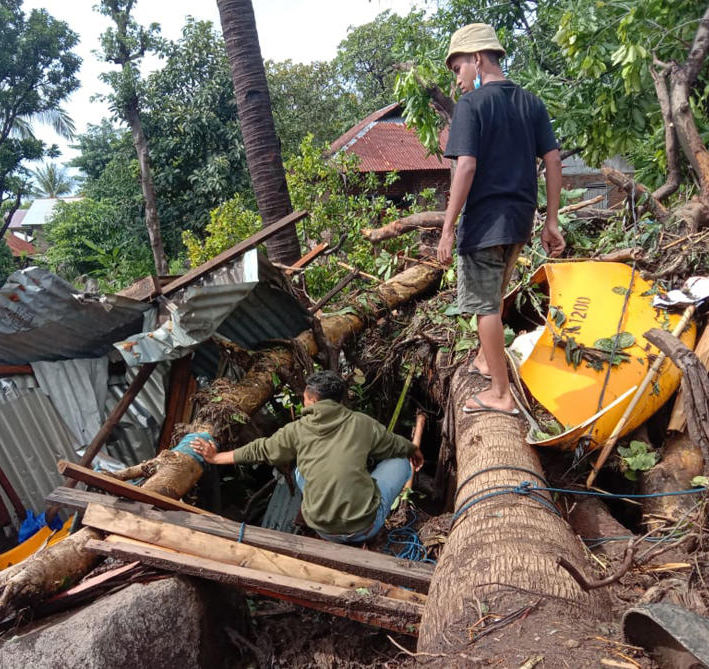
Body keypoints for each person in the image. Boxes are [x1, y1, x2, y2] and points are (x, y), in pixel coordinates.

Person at [437, 23, 566, 416]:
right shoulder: (532, 103)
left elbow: (466, 168)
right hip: (520, 221)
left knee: (484, 308)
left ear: (476, 59)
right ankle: (483, 359)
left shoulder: (472, 107)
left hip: (484, 223)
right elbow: (554, 160)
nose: (457, 80)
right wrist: (552, 221)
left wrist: (447, 227)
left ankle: (500, 393)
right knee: (492, 297)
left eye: (458, 69)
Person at [190, 370, 423, 544]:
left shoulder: (297, 430)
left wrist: (216, 457)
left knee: (301, 469)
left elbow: (260, 450)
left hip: (323, 528)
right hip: (364, 527)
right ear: (339, 400)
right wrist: (414, 451)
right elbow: (395, 446)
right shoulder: (362, 424)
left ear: (311, 399)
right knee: (400, 462)